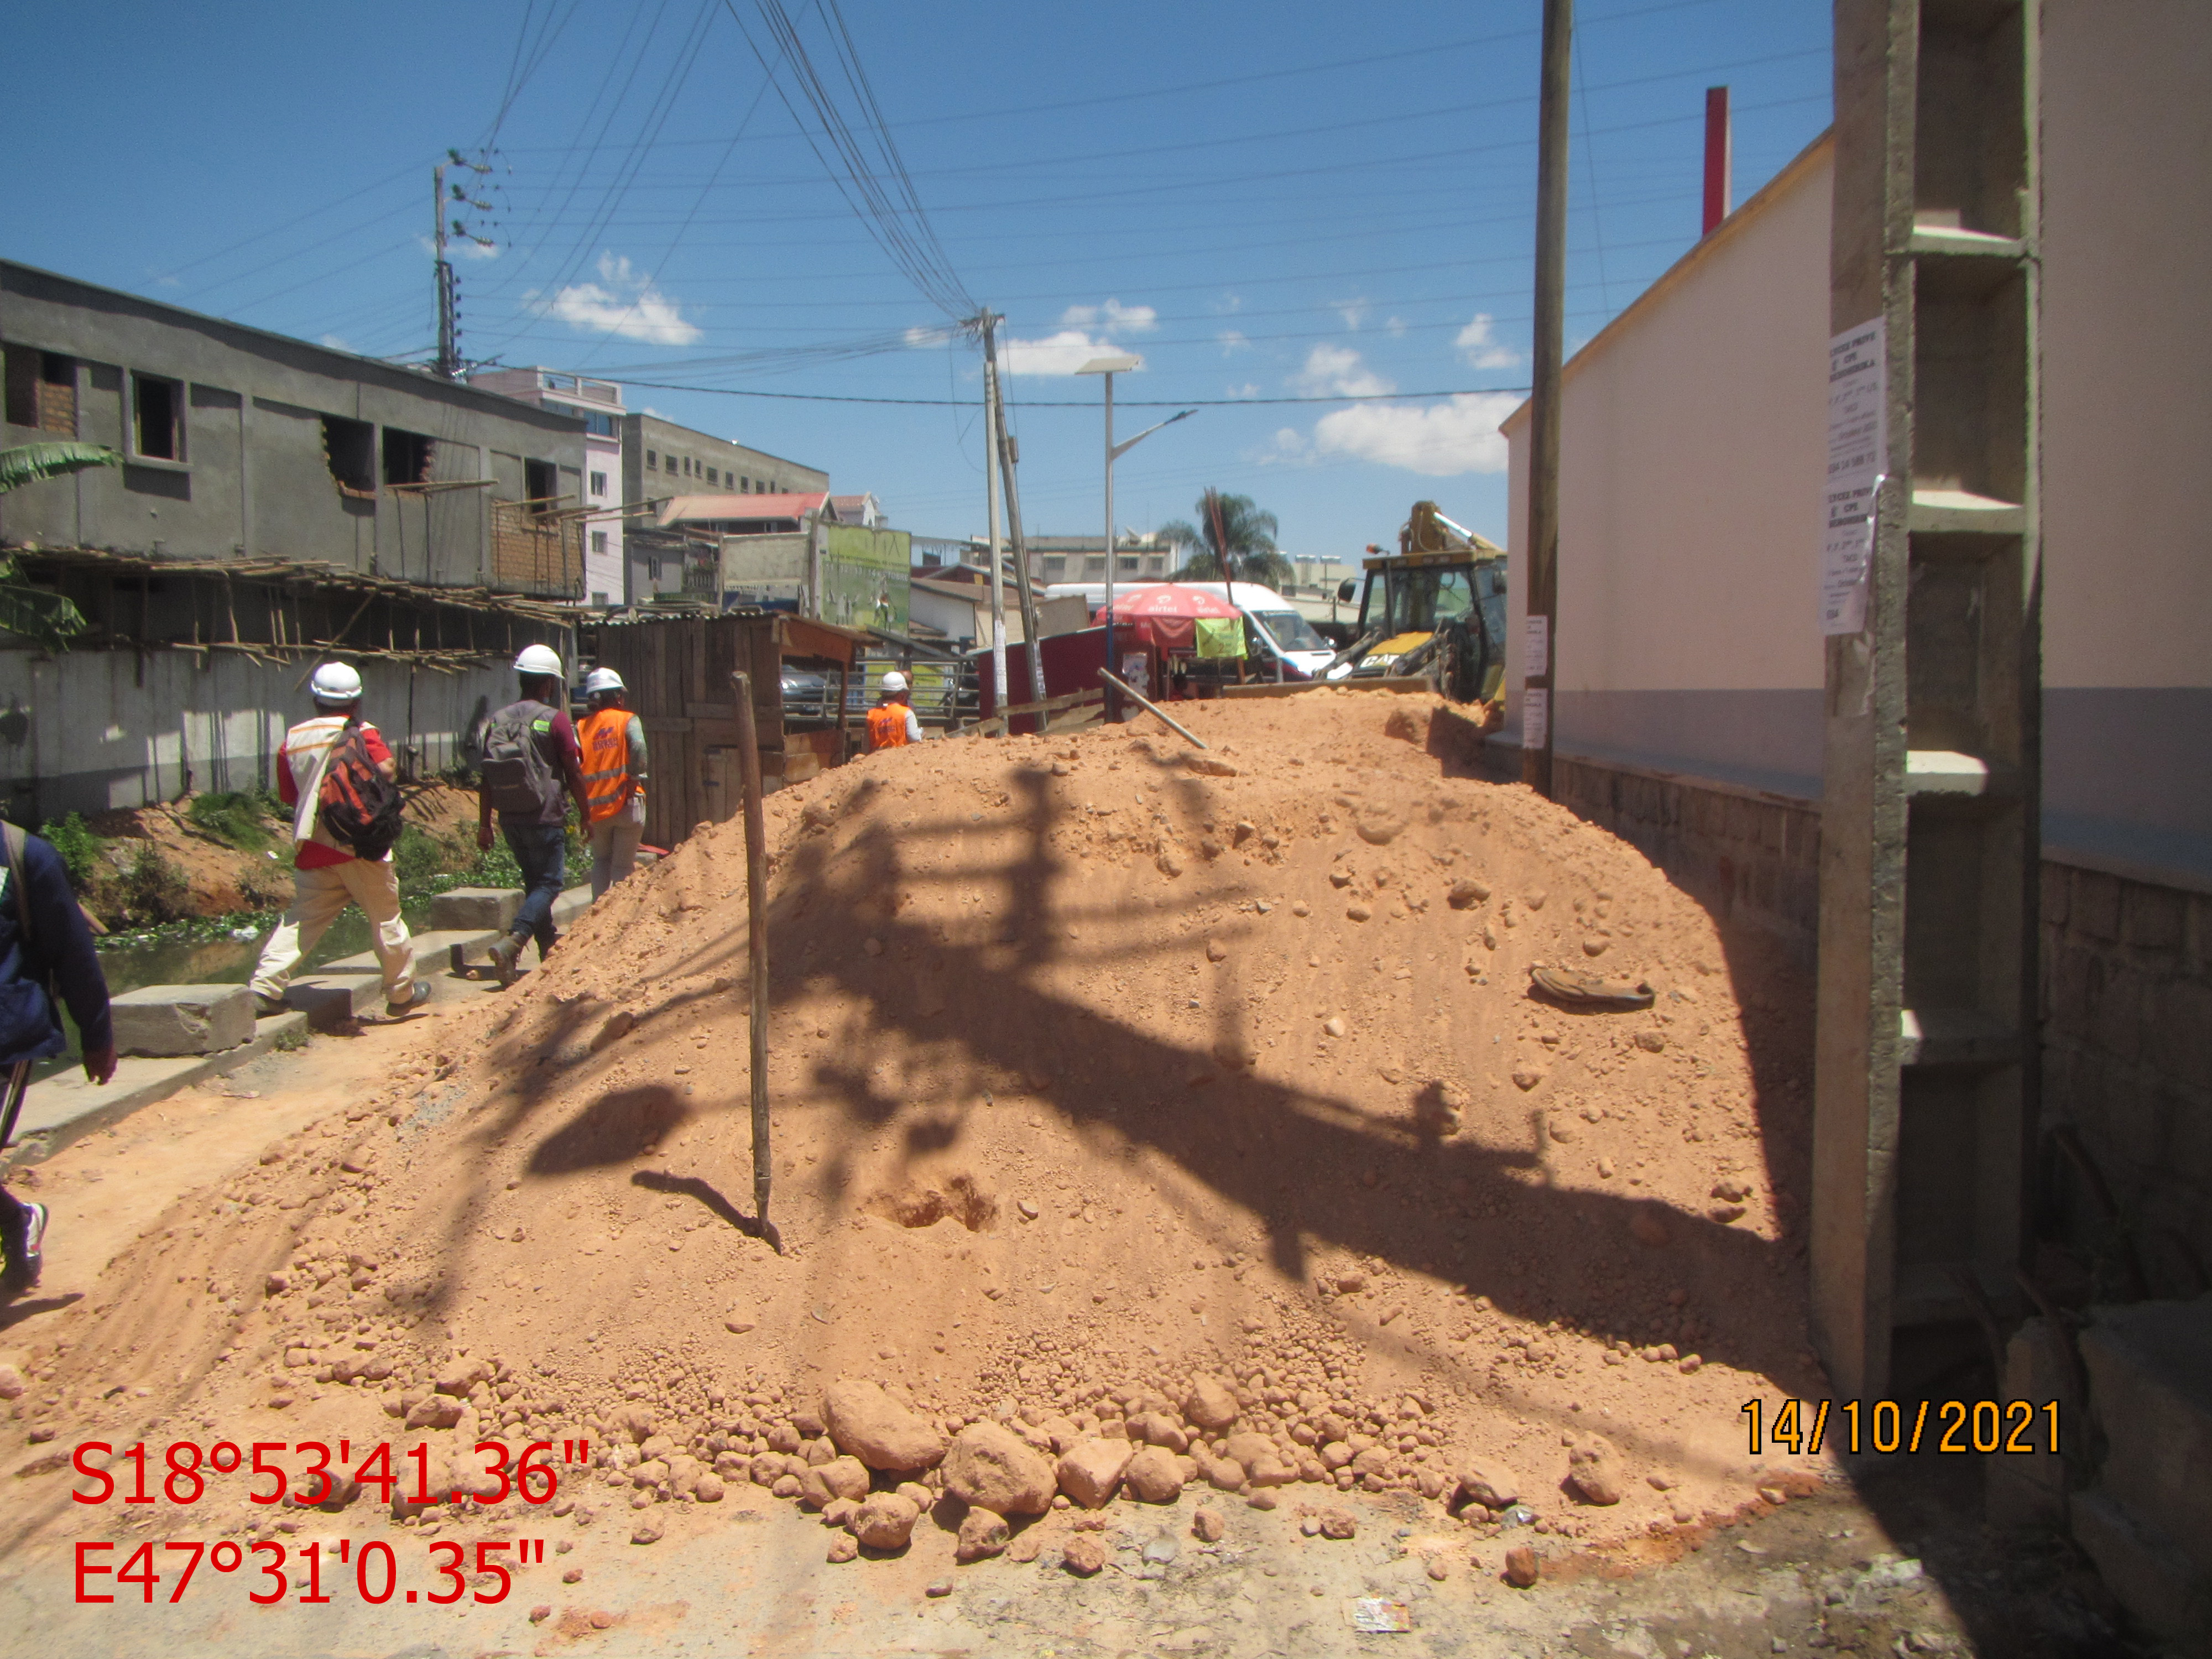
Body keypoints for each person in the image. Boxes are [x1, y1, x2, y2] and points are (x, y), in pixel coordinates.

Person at [247, 662, 424, 1019]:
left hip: (314, 845)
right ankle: (402, 994)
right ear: (356, 702)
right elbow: (387, 768)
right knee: (385, 918)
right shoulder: (362, 732)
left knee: (302, 919)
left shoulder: (292, 740)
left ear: (316, 699)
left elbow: (289, 795)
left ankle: (264, 988)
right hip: (360, 843)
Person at [0, 821, 117, 1295]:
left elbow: (73, 950)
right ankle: (19, 1218)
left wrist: (96, 1034)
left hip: (6, 1037)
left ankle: (19, 1221)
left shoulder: (23, 855)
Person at [477, 644, 591, 987]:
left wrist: (485, 825)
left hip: (510, 817)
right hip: (545, 815)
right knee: (550, 883)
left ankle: (547, 948)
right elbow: (574, 772)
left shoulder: (497, 720)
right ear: (548, 685)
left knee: (534, 884)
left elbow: (485, 777)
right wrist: (587, 815)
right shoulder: (553, 720)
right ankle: (515, 941)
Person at [576, 666, 648, 899]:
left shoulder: (581, 727)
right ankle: (617, 923)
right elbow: (639, 748)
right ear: (618, 696)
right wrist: (632, 781)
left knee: (600, 862)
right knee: (622, 868)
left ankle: (597, 916)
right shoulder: (627, 720)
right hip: (627, 803)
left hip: (595, 809)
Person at [865, 669, 927, 752]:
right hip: (899, 759)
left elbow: (866, 745)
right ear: (902, 695)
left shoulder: (871, 715)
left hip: (877, 759)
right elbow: (914, 739)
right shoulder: (906, 713)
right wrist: (920, 734)